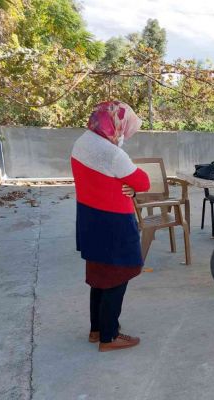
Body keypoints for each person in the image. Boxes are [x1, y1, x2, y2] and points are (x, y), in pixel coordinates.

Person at [71, 101, 151, 352]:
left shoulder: (82, 142)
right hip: (114, 222)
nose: (125, 131)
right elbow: (143, 181)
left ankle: (96, 330)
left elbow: (104, 179)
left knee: (99, 277)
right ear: (114, 123)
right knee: (118, 276)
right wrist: (130, 185)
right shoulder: (113, 153)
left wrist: (123, 184)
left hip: (89, 219)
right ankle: (109, 336)